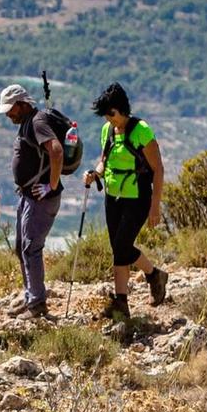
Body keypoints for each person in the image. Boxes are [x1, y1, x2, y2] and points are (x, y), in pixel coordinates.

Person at [84, 83, 169, 332]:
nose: (110, 120)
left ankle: (154, 275)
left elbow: (159, 169)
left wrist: (156, 206)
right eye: (106, 116)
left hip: (138, 198)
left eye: (112, 114)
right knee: (118, 251)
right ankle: (122, 302)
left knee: (122, 245)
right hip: (113, 197)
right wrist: (94, 175)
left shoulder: (141, 131)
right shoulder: (107, 131)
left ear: (121, 109)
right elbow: (104, 162)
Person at [0, 82, 65, 321]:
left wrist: (51, 185)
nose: (7, 114)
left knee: (31, 248)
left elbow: (56, 151)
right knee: (21, 247)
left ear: (22, 104)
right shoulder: (28, 122)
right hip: (28, 196)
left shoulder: (36, 123)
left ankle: (37, 305)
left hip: (40, 198)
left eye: (10, 109)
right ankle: (30, 298)